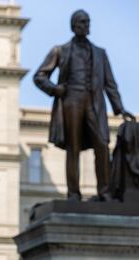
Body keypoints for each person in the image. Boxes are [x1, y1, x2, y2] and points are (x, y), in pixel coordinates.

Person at [33, 9, 134, 201]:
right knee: (74, 147)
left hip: (95, 102)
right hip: (71, 100)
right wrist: (55, 89)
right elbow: (39, 76)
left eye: (88, 22)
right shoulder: (60, 50)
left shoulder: (100, 54)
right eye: (81, 22)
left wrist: (119, 108)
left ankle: (104, 192)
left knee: (102, 144)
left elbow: (110, 84)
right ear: (73, 26)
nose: (86, 26)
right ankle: (73, 193)